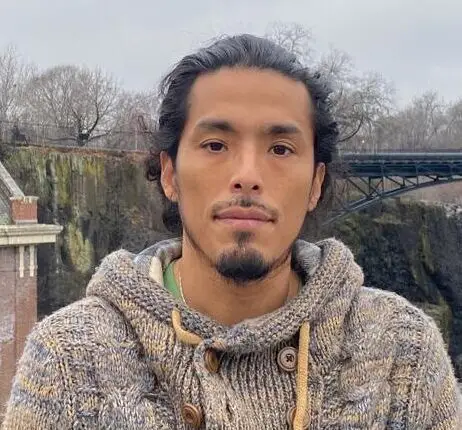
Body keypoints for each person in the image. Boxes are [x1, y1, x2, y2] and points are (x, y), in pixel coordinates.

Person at [3, 34, 461, 430]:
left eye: (280, 148)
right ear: (169, 175)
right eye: (216, 145)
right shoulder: (70, 361)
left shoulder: (404, 353)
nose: (247, 174)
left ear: (316, 184)